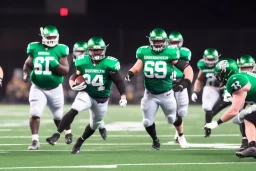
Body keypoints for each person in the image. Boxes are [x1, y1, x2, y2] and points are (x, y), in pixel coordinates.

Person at [46, 37, 127, 154]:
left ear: (104, 50)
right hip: (87, 93)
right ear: (89, 50)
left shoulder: (110, 63)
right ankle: (57, 134)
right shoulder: (83, 61)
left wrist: (123, 96)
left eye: (99, 50)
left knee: (94, 125)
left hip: (102, 100)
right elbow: (75, 76)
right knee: (74, 109)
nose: (97, 52)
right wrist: (72, 84)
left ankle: (80, 141)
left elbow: (119, 81)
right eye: (94, 50)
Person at [125, 28, 193, 150]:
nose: (158, 43)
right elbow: (138, 66)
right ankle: (155, 140)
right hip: (149, 94)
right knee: (146, 121)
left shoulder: (171, 52)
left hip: (166, 93)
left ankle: (181, 136)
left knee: (172, 118)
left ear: (165, 41)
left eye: (160, 41)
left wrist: (184, 83)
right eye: (155, 41)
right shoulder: (144, 52)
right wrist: (130, 73)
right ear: (150, 41)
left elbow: (188, 69)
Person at [23, 25, 72, 150]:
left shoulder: (61, 49)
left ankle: (68, 133)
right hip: (37, 87)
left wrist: (55, 64)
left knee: (58, 116)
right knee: (34, 113)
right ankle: (35, 141)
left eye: (53, 37)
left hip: (55, 88)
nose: (51, 39)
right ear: (43, 37)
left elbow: (65, 71)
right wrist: (25, 73)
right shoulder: (34, 47)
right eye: (49, 37)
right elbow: (27, 64)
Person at [204, 58, 256, 158]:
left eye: (220, 75)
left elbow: (234, 111)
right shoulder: (243, 76)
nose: (219, 78)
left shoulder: (235, 80)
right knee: (249, 118)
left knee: (247, 117)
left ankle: (252, 146)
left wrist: (217, 123)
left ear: (228, 72)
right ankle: (252, 147)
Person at [191, 48, 231, 137]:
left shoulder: (223, 65)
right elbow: (199, 79)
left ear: (218, 58)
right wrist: (195, 92)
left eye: (212, 59)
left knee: (234, 109)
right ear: (204, 58)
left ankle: (209, 123)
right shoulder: (202, 65)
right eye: (208, 59)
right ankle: (208, 128)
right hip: (212, 87)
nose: (210, 62)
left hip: (225, 88)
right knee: (207, 107)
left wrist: (228, 90)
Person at [72, 41, 107, 140]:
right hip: (86, 83)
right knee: (89, 107)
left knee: (92, 107)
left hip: (95, 84)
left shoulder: (90, 59)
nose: (78, 53)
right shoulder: (79, 60)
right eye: (77, 51)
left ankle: (101, 126)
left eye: (81, 51)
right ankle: (101, 126)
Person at [222, 55, 256, 152]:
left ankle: (250, 143)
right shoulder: (238, 79)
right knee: (241, 116)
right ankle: (246, 141)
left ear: (253, 66)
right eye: (243, 68)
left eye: (248, 67)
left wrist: (217, 123)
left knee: (244, 116)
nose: (246, 70)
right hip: (246, 97)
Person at [168, 31, 191, 148]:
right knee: (173, 111)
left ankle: (177, 133)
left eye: (177, 42)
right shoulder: (164, 52)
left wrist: (183, 83)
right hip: (167, 83)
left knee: (182, 111)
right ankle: (180, 134)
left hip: (180, 82)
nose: (175, 45)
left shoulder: (185, 52)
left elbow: (186, 68)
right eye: (172, 42)